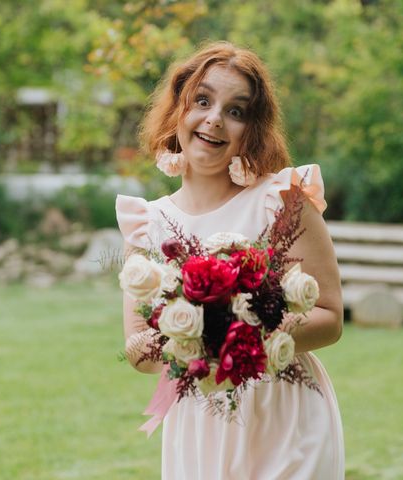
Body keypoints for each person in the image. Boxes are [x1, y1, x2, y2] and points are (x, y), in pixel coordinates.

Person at [115, 41, 345, 479]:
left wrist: (245, 330)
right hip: (200, 421)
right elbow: (141, 352)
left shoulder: (283, 201)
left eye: (236, 111)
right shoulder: (148, 224)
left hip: (286, 417)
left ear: (251, 129)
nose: (215, 119)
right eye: (202, 100)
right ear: (178, 111)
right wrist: (191, 328)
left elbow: (331, 318)